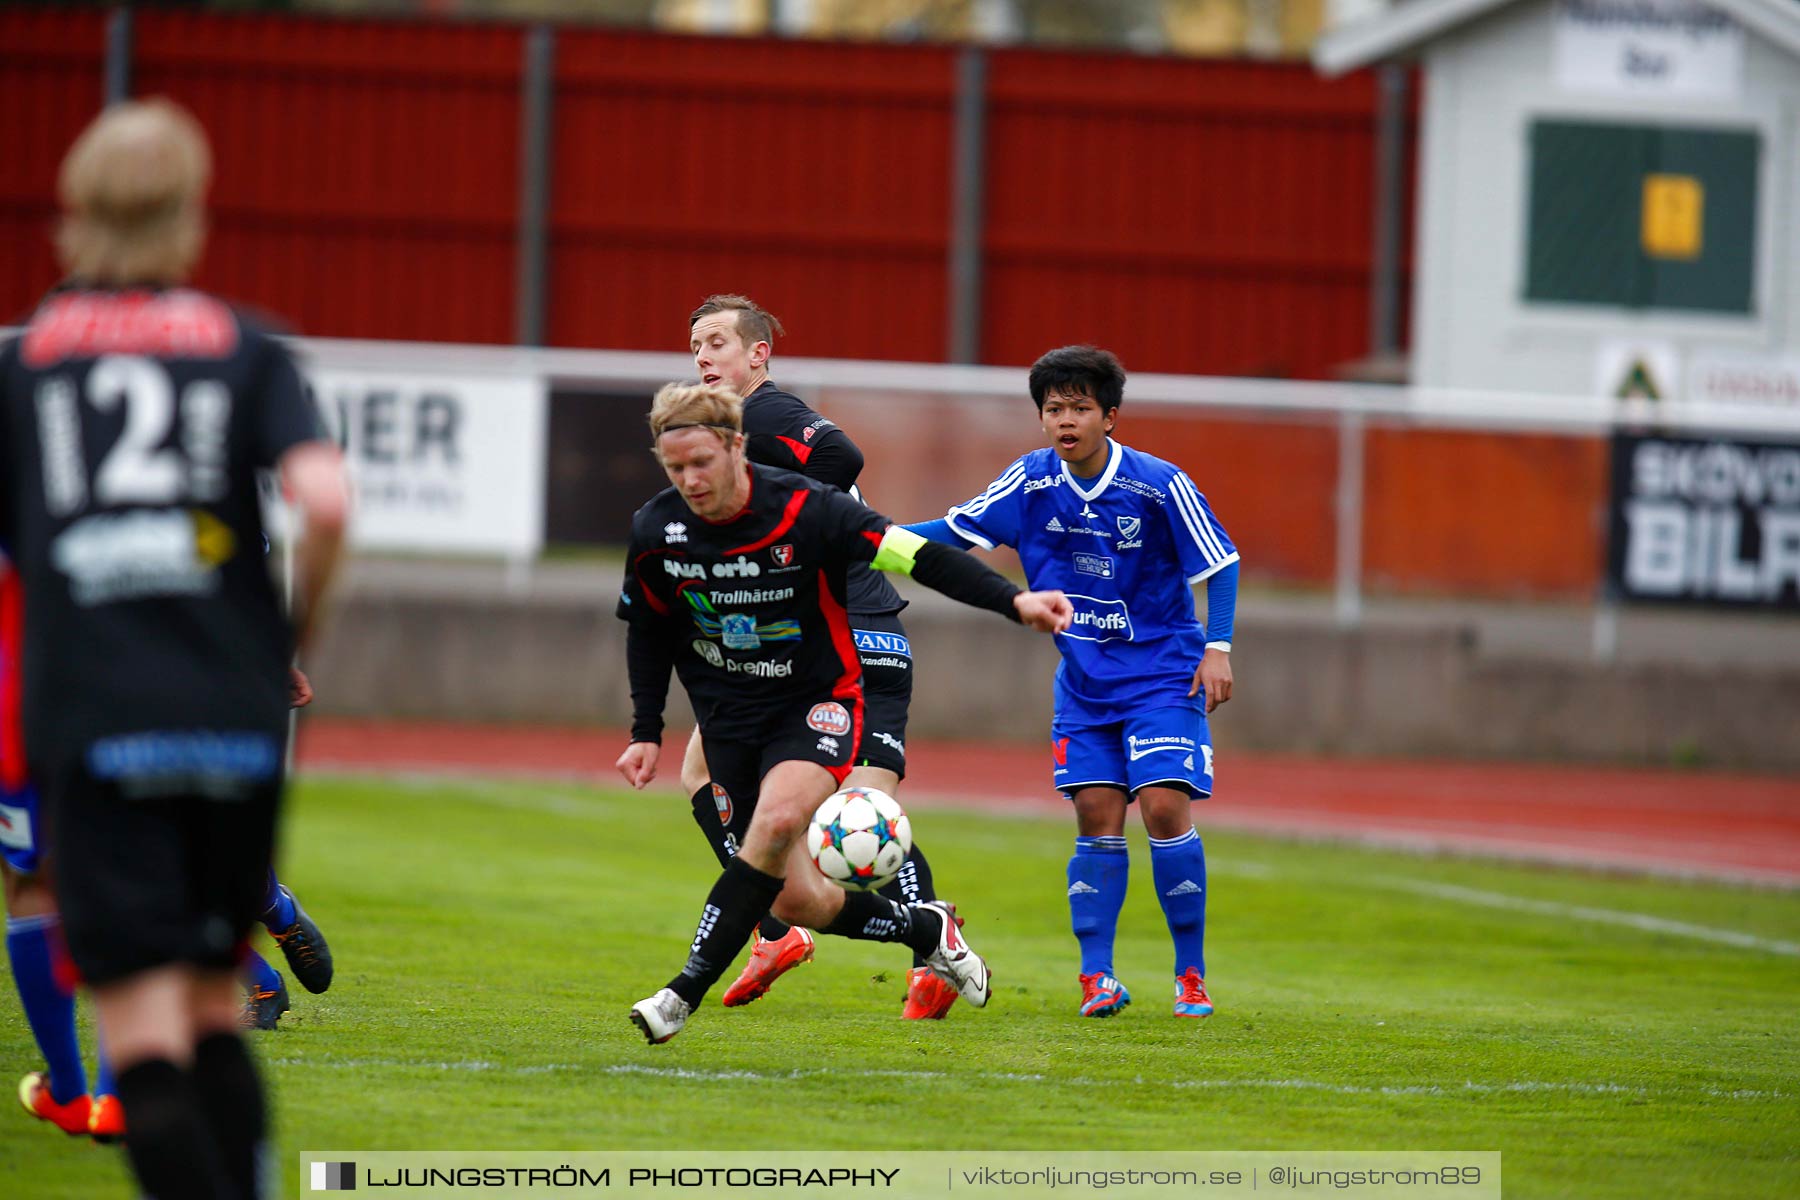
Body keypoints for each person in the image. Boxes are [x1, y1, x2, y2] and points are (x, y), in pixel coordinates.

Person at [0, 99, 349, 1199]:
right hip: (229, 716)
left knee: (142, 1034)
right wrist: (287, 637)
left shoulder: (26, 366)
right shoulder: (245, 346)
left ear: (72, 214)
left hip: (92, 716)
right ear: (192, 213)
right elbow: (326, 501)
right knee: (213, 1016)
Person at [616, 383, 1070, 1044]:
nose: (689, 480)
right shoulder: (657, 529)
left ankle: (680, 994)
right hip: (729, 717)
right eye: (675, 467)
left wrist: (1013, 601)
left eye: (701, 463)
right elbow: (647, 630)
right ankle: (925, 929)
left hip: (816, 704)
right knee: (803, 900)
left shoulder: (807, 508)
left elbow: (916, 556)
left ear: (736, 446)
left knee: (773, 823)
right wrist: (645, 729)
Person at [907, 346, 1238, 1020]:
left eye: (1080, 407)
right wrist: (862, 535)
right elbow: (953, 533)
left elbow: (1221, 562)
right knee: (1095, 814)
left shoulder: (1158, 484)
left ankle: (1191, 974)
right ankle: (1098, 977)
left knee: (1166, 808)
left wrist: (1218, 647)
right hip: (1085, 685)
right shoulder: (1028, 484)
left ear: (1109, 416)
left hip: (1162, 676)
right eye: (1053, 408)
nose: (1066, 420)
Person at [684, 294, 956, 1019]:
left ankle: (931, 941)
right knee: (709, 769)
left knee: (858, 810)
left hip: (853, 633)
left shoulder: (769, 415)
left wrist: (788, 524)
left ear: (757, 356)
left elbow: (841, 457)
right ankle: (776, 927)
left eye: (716, 343)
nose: (703, 357)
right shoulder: (731, 435)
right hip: (806, 640)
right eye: (695, 347)